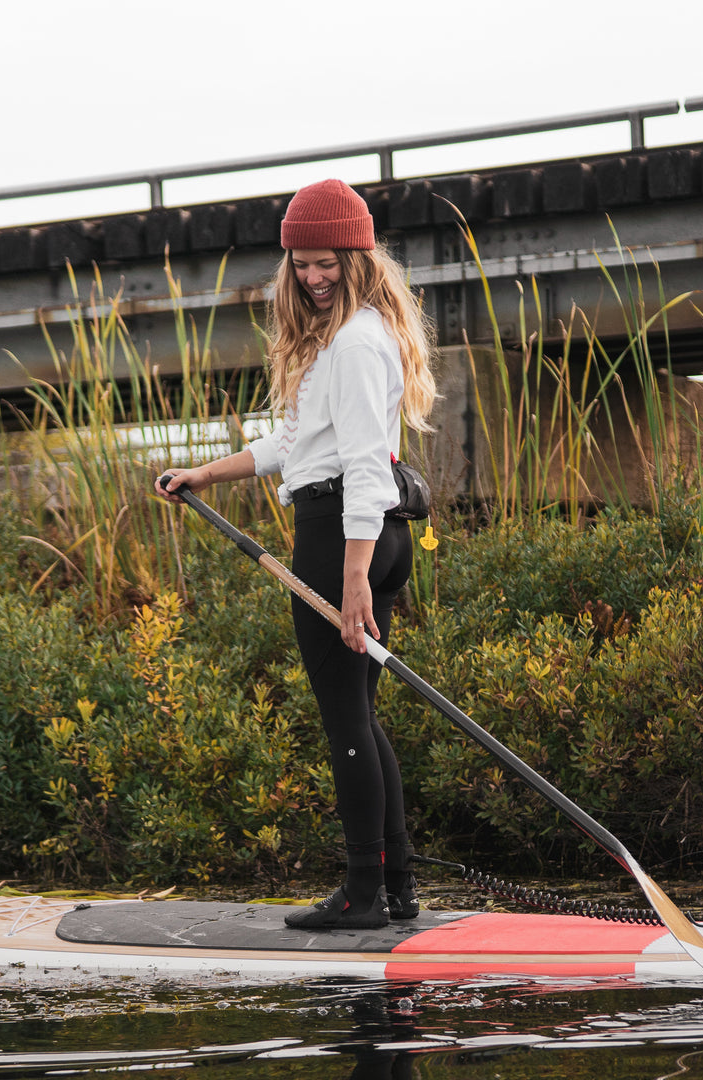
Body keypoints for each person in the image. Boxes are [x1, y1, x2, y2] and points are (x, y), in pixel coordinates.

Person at [154, 178, 438, 930]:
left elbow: (366, 470)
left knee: (346, 721)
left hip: (344, 535)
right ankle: (397, 886)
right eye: (302, 264)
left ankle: (362, 895)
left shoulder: (352, 344)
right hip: (374, 534)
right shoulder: (356, 338)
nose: (314, 277)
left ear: (358, 256)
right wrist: (204, 474)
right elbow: (297, 445)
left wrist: (351, 584)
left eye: (328, 262)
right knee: (364, 718)